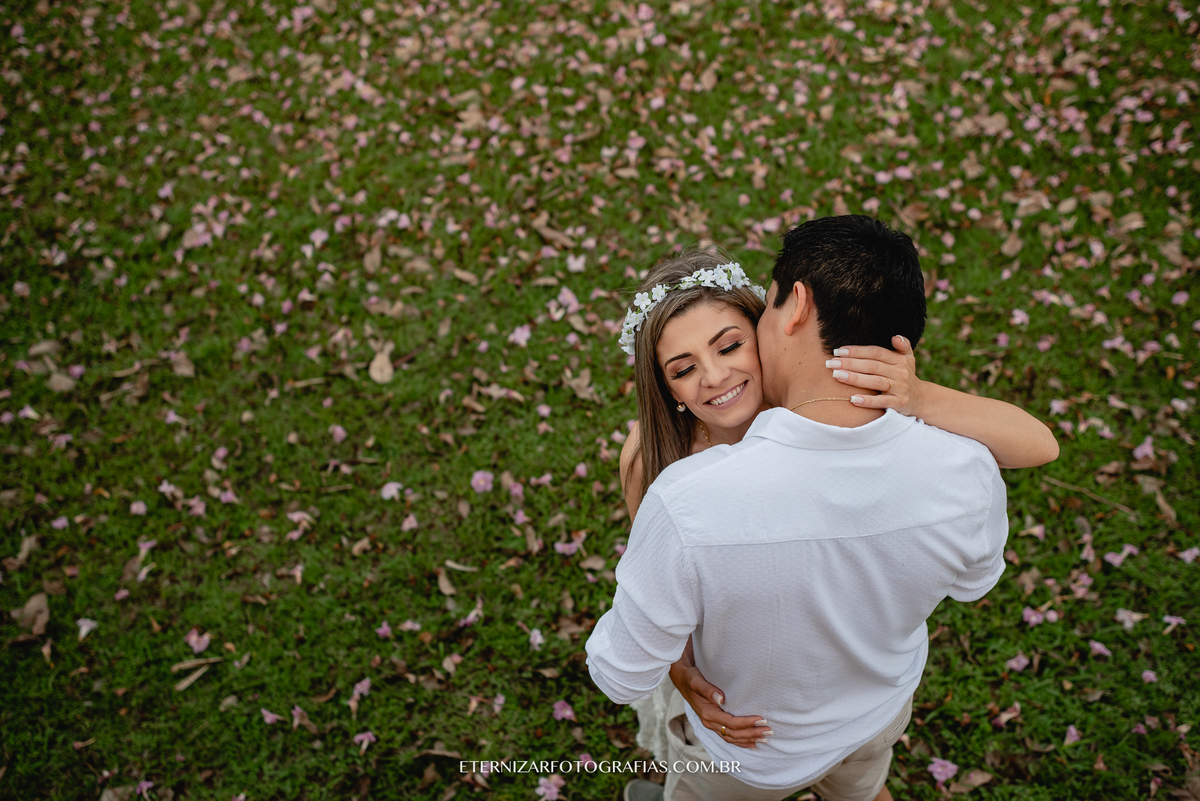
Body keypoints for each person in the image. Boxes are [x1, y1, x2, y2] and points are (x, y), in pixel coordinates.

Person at [588, 216, 1057, 801]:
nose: (714, 376)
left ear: (779, 318)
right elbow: (664, 603)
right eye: (682, 370)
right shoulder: (659, 466)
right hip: (826, 709)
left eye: (731, 344)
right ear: (665, 388)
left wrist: (918, 395)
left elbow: (619, 666)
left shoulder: (700, 496)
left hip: (759, 756)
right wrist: (682, 672)